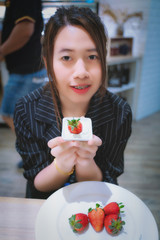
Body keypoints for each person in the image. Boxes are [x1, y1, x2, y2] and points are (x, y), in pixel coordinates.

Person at [13, 6, 132, 199]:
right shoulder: (27, 109)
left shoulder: (119, 111)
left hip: (95, 204)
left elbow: (109, 177)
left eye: (92, 57)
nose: (81, 72)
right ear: (48, 62)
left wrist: (85, 162)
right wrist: (61, 165)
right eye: (66, 57)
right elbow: (37, 181)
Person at [0, 0, 47, 132]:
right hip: (26, 70)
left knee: (11, 114)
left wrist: (1, 51)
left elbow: (25, 30)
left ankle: (33, 149)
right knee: (19, 116)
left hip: (27, 71)